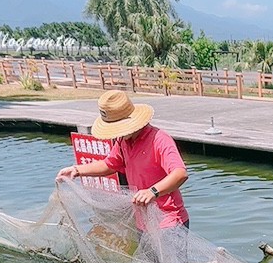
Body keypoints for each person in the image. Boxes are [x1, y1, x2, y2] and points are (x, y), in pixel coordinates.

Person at [56, 90, 190, 230]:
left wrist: (153, 191)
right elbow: (109, 165)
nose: (117, 133)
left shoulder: (159, 139)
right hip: (143, 221)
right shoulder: (123, 141)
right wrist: (77, 170)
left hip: (169, 222)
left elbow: (180, 173)